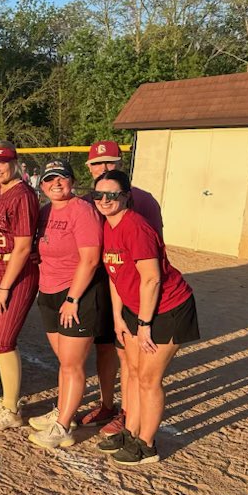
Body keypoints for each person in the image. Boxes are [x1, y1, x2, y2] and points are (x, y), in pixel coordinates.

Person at [93, 170, 199, 465]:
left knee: (149, 379)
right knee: (133, 372)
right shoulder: (109, 225)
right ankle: (130, 431)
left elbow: (151, 279)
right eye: (98, 194)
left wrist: (144, 325)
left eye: (112, 194)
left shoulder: (135, 227)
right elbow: (114, 274)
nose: (104, 200)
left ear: (126, 196)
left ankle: (147, 445)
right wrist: (118, 316)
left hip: (167, 309)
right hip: (136, 308)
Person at [83, 140, 164, 435]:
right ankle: (107, 404)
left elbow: (153, 255)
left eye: (110, 162)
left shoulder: (141, 199)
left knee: (128, 356)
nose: (103, 168)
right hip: (103, 283)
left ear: (121, 165)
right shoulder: (90, 199)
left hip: (130, 284)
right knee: (105, 347)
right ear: (90, 168)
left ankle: (129, 414)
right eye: (97, 163)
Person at [27, 160, 103, 449]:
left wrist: (73, 298)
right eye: (49, 179)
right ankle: (63, 411)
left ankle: (64, 427)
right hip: (49, 291)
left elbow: (91, 259)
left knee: (72, 364)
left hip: (76, 294)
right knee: (65, 362)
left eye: (62, 177)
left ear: (72, 180)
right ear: (42, 185)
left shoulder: (81, 210)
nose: (56, 183)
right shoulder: (45, 211)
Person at [0, 141, 40, 432]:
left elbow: (23, 247)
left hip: (13, 270)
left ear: (15, 162)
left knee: (2, 340)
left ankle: (12, 409)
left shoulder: (23, 195)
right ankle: (6, 399)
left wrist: (4, 287)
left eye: (2, 162)